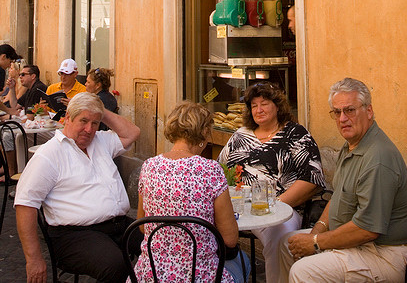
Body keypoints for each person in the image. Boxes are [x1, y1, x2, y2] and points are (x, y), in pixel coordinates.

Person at [279, 77, 407, 283]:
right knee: (286, 244)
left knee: (304, 271)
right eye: (337, 112)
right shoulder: (353, 144)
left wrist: (315, 242)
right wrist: (315, 234)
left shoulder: (377, 158)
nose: (342, 118)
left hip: (383, 254)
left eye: (350, 110)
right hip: (355, 243)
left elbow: (367, 229)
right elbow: (337, 199)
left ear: (369, 111)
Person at [15, 92, 142, 283]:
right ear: (67, 118)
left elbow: (132, 133)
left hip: (119, 225)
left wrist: (99, 110)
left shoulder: (101, 141)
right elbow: (25, 205)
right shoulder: (49, 155)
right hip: (74, 235)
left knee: (161, 244)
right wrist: (33, 259)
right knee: (116, 265)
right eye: (83, 121)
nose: (89, 129)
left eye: (95, 123)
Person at [132, 100, 250, 283]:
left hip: (151, 275)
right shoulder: (211, 170)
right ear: (203, 132)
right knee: (244, 261)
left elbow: (142, 225)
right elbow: (230, 239)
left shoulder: (149, 166)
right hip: (200, 276)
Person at [218, 83, 326, 283]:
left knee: (279, 236)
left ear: (277, 106)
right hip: (240, 209)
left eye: (264, 104)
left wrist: (275, 204)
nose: (259, 110)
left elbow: (313, 179)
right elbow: (219, 173)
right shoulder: (240, 136)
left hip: (282, 209)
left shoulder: (296, 134)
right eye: (254, 105)